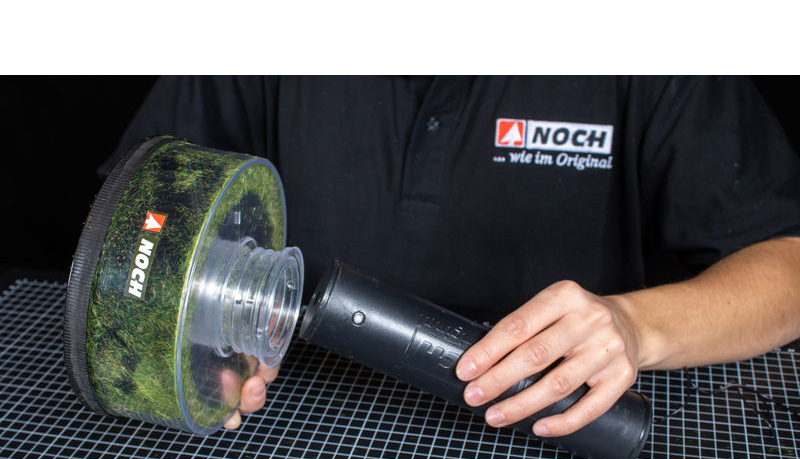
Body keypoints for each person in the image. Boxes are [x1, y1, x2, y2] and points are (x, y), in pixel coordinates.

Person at [102, 76, 800, 436]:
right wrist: (195, 327)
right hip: (294, 419)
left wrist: (633, 326)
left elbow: (789, 264)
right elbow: (136, 216)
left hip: (559, 429)